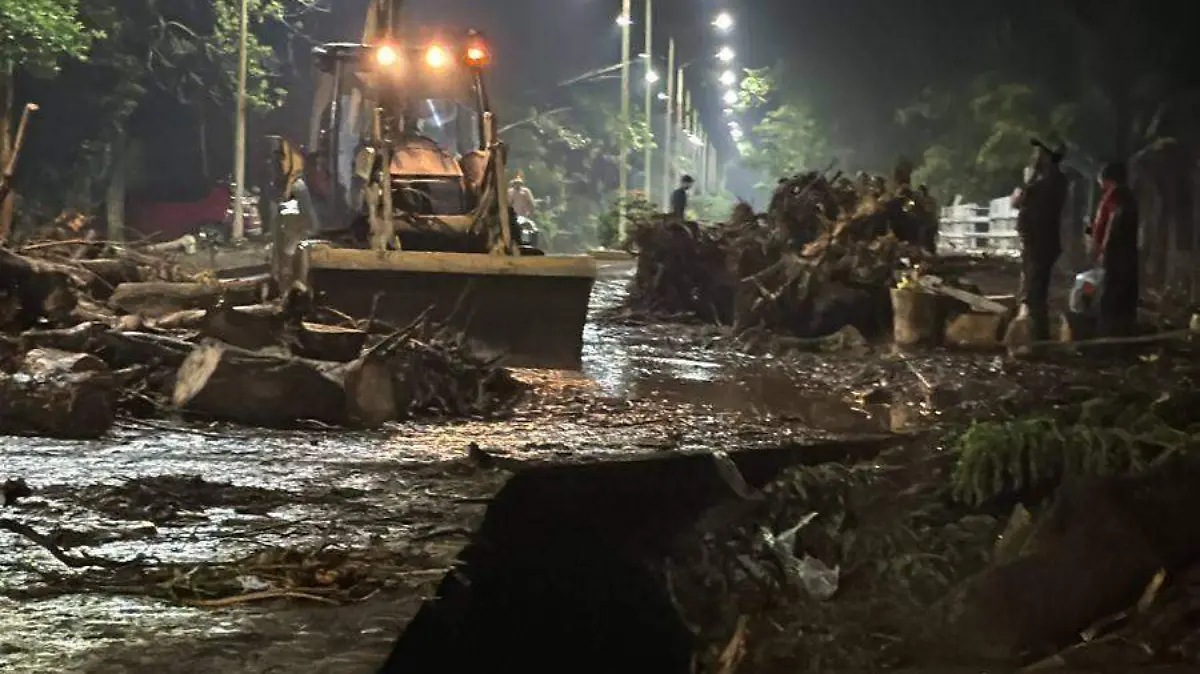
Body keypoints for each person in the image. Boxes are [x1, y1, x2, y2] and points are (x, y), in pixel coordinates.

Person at [1011, 138, 1069, 342]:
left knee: (1032, 288)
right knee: (1036, 287)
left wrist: (1030, 178)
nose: (1034, 158)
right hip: (1041, 240)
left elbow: (1018, 200)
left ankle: (1031, 336)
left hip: (1038, 241)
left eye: (1038, 153)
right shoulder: (1055, 179)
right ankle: (1038, 333)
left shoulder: (1045, 181)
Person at [1090, 161, 1140, 337]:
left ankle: (1108, 338)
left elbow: (1113, 226)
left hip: (1117, 257)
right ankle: (1121, 335)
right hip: (1126, 256)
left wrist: (1105, 250)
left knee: (1111, 297)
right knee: (1123, 297)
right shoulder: (1127, 197)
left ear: (1108, 180)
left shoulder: (1116, 197)